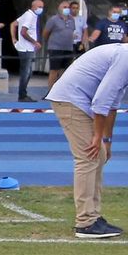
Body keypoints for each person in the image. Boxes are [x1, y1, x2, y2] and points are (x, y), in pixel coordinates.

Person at [45, 42, 128, 238]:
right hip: (71, 100)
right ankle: (85, 222)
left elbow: (113, 105)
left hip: (78, 100)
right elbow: (102, 100)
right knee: (87, 157)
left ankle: (93, 216)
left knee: (98, 155)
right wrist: (98, 136)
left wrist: (106, 140)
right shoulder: (125, 58)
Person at [12, 0, 42, 102]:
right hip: (26, 49)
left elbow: (13, 24)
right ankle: (22, 95)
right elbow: (23, 32)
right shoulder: (30, 16)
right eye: (39, 7)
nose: (41, 9)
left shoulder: (27, 14)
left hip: (26, 48)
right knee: (26, 73)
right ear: (33, 6)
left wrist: (14, 39)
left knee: (28, 72)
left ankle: (23, 94)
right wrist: (34, 42)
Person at [44, 3, 78, 85]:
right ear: (59, 8)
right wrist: (51, 42)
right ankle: (51, 90)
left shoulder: (72, 19)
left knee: (65, 71)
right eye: (64, 7)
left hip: (68, 48)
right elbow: (45, 33)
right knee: (54, 70)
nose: (67, 9)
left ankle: (61, 89)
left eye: (68, 7)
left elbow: (71, 31)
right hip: (55, 48)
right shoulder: (53, 19)